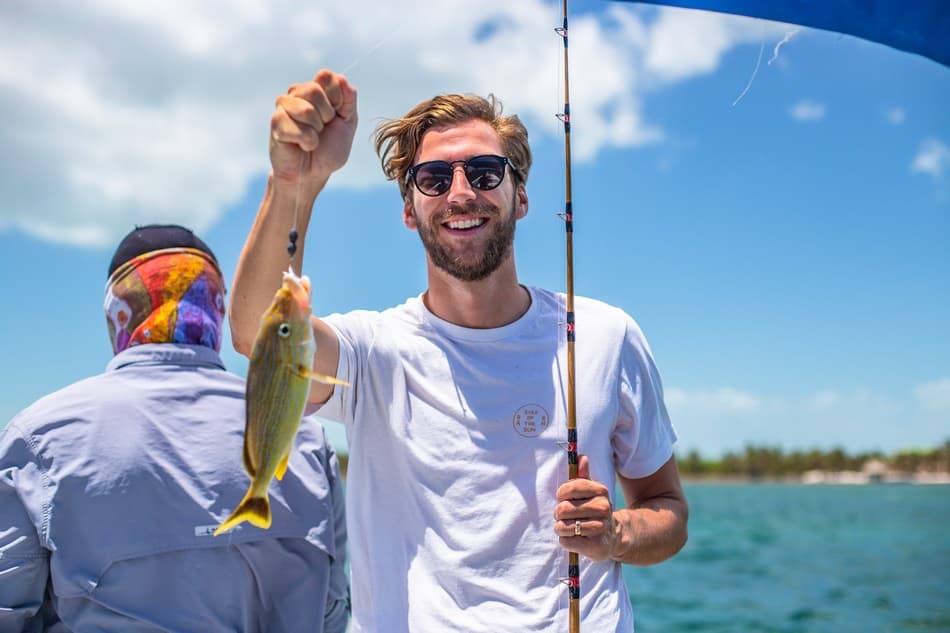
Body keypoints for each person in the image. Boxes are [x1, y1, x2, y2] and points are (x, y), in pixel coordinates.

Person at [230, 70, 688, 632]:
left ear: (520, 196)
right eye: (433, 178)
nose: (461, 192)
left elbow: (667, 509)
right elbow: (258, 334)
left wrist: (616, 534)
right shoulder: (374, 350)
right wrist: (294, 179)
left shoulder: (606, 334)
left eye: (484, 171)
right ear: (408, 210)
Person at [0, 224, 349, 633]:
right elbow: (332, 610)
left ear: (118, 315)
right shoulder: (307, 436)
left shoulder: (37, 436)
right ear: (217, 309)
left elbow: (9, 611)